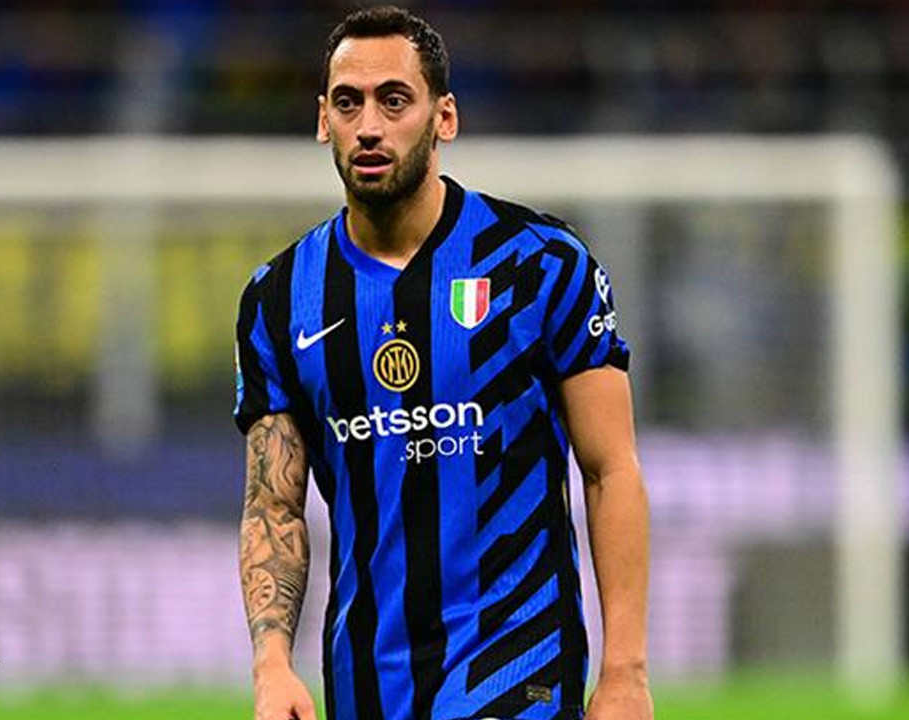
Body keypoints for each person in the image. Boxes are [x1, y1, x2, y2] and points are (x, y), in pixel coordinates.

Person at [234, 7, 652, 720]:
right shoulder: (280, 299)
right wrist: (271, 664)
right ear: (323, 120)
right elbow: (274, 505)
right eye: (348, 103)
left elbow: (609, 469)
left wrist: (625, 670)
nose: (369, 125)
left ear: (444, 117)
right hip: (369, 675)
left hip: (519, 661)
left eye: (394, 100)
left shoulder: (540, 266)